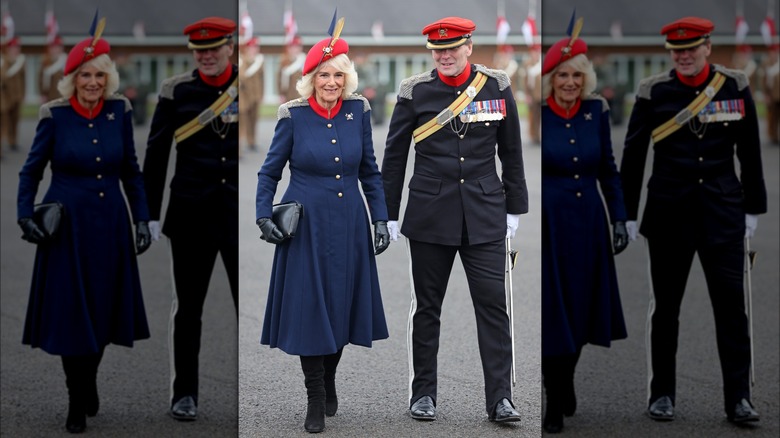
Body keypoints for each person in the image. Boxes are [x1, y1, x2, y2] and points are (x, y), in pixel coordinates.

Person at [620, 17, 767, 423]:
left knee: (732, 311)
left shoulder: (734, 86)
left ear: (707, 47)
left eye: (690, 49)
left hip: (723, 214)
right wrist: (626, 214)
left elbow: (750, 151)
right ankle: (661, 393)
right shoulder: (655, 92)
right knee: (665, 310)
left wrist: (752, 207)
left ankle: (739, 398)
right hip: (668, 215)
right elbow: (633, 156)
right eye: (676, 51)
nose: (683, 57)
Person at [381, 16, 526, 423]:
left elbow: (511, 152)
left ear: (468, 47)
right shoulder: (415, 92)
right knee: (426, 309)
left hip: (485, 214)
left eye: (452, 48)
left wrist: (514, 207)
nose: (444, 56)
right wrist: (387, 214)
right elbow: (394, 157)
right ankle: (422, 394)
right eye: (437, 50)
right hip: (429, 216)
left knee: (494, 308)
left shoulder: (496, 85)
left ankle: (501, 398)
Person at [16, 19, 152, 434]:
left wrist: (141, 217)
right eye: (84, 76)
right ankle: (77, 397)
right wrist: (25, 213)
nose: (92, 83)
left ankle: (88, 378)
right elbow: (30, 171)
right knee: (71, 313)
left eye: (99, 75)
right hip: (67, 230)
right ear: (71, 79)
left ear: (108, 78)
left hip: (110, 224)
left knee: (103, 310)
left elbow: (131, 170)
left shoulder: (119, 111)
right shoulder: (53, 115)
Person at [256, 16, 390, 434]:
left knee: (341, 307)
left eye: (338, 75)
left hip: (350, 222)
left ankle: (330, 376)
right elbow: (268, 172)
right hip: (307, 228)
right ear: (310, 78)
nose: (331, 82)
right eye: (322, 75)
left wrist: (381, 218)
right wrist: (264, 213)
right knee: (311, 310)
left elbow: (370, 170)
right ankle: (315, 395)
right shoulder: (292, 116)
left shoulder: (359, 111)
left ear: (347, 77)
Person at [142, 16, 238, 422]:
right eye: (200, 50)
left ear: (230, 46)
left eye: (214, 48)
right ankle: (185, 393)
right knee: (189, 309)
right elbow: (157, 153)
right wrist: (147, 214)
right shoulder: (176, 91)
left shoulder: (244, 87)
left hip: (236, 216)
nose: (207, 56)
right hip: (190, 214)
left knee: (243, 307)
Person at [539, 19, 629, 434]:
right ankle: (553, 398)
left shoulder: (597, 112)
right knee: (553, 312)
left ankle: (567, 377)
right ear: (551, 79)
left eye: (577, 75)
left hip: (589, 224)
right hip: (551, 227)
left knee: (581, 309)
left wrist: (620, 218)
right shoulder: (538, 117)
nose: (570, 82)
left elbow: (609, 172)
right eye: (562, 75)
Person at [238, 36, 264, 153]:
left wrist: (261, 94)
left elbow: (262, 79)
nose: (254, 50)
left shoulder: (259, 61)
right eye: (252, 47)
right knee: (242, 121)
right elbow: (242, 76)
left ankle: (251, 141)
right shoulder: (242, 60)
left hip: (255, 95)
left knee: (254, 120)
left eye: (256, 47)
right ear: (247, 48)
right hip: (244, 96)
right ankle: (240, 146)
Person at [0, 36, 26, 155]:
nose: (15, 50)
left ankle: (13, 141)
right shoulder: (4, 60)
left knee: (15, 120)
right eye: (13, 48)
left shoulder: (21, 61)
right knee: (4, 122)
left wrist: (23, 94)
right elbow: (4, 77)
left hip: (17, 95)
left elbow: (23, 79)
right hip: (6, 97)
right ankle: (4, 141)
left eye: (17, 48)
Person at [519, 44, 542, 145]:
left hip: (543, 94)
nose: (535, 54)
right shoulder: (527, 64)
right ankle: (534, 137)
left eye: (537, 52)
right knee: (533, 117)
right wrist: (526, 95)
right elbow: (524, 80)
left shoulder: (543, 63)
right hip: (532, 95)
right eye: (534, 52)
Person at [38, 35, 66, 103]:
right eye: (52, 48)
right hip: (48, 96)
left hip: (61, 96)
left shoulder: (65, 61)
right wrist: (42, 94)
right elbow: (40, 80)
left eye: (57, 47)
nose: (54, 50)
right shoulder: (45, 62)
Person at [278, 35, 305, 103]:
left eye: (297, 47)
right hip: (288, 95)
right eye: (292, 47)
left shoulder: (304, 60)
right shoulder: (284, 62)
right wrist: (281, 94)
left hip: (301, 95)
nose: (294, 50)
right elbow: (279, 80)